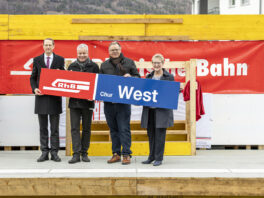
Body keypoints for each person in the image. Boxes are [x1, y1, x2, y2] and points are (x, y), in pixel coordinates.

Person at [100, 41, 140, 165]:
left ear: (120, 49)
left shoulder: (129, 62)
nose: (114, 51)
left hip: (123, 103)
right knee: (113, 130)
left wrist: (131, 77)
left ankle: (126, 154)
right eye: (112, 50)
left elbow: (138, 78)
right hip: (109, 103)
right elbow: (100, 83)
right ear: (109, 51)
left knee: (124, 129)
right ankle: (116, 154)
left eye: (116, 49)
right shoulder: (104, 65)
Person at [30, 38, 65, 162]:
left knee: (55, 128)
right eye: (46, 45)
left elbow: (64, 76)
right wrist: (34, 89)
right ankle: (44, 152)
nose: (48, 47)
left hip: (55, 99)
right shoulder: (37, 60)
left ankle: (55, 153)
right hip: (41, 98)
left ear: (54, 46)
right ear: (43, 46)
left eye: (50, 45)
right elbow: (33, 78)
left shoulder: (60, 59)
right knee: (43, 127)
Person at [67, 44, 99, 164]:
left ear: (88, 53)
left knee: (87, 128)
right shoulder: (71, 66)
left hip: (88, 103)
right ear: (77, 53)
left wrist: (93, 96)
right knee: (74, 128)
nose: (82, 55)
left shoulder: (94, 66)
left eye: (84, 53)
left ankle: (84, 153)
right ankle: (76, 154)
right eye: (80, 53)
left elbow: (98, 84)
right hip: (74, 103)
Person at [141, 53, 174, 166]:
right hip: (149, 110)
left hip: (162, 111)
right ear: (152, 64)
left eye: (158, 63)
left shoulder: (169, 77)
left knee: (160, 135)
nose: (156, 65)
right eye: (154, 63)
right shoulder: (148, 77)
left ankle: (159, 158)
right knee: (151, 134)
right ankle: (151, 157)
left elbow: (170, 94)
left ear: (162, 63)